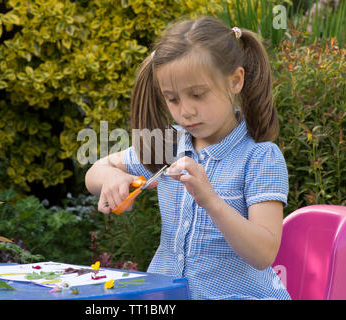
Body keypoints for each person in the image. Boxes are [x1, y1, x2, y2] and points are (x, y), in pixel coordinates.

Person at [85, 16, 291, 300]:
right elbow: (95, 171)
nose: (186, 111)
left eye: (197, 94)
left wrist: (211, 201)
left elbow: (263, 253)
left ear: (235, 81)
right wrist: (111, 178)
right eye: (173, 99)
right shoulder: (168, 144)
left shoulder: (259, 158)